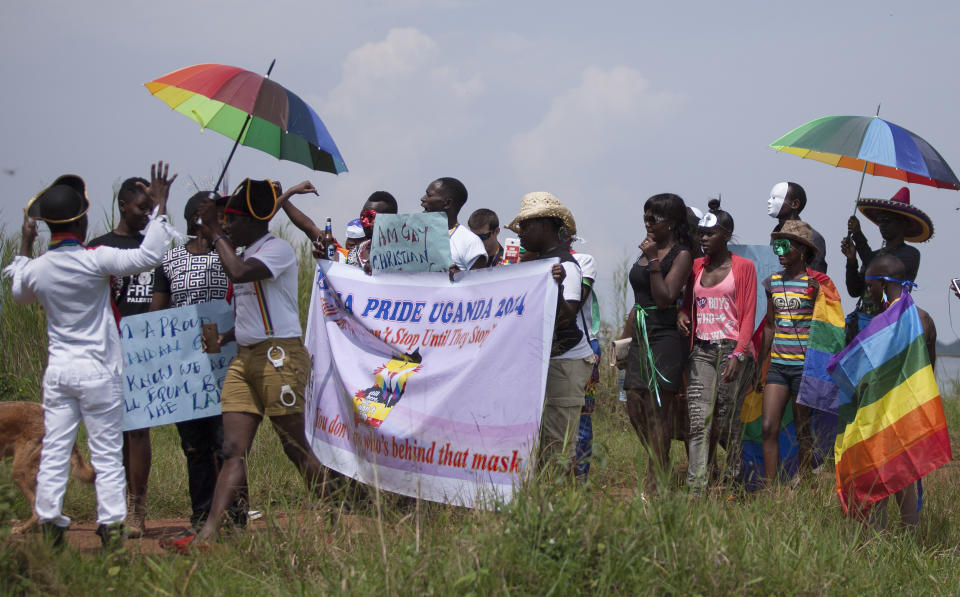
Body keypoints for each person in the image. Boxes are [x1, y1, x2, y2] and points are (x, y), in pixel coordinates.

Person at [4, 163, 178, 549]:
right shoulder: (95, 259)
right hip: (99, 372)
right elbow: (147, 256)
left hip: (59, 375)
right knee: (105, 449)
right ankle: (111, 528)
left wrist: (25, 245)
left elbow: (19, 291)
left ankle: (50, 523)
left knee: (55, 451)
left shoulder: (38, 269)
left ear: (49, 226)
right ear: (82, 224)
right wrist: (161, 206)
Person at [174, 179, 326, 548]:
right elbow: (247, 302)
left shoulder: (277, 250)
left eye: (231, 221)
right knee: (232, 449)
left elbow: (239, 274)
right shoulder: (244, 249)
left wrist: (212, 232)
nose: (226, 226)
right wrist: (228, 337)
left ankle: (335, 508)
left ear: (253, 223)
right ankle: (209, 534)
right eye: (223, 221)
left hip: (280, 357)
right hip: (245, 359)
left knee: (294, 446)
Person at [149, 191, 245, 531]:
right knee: (195, 446)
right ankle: (202, 514)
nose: (225, 219)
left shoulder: (233, 255)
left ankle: (235, 517)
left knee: (228, 442)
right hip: (184, 365)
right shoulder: (170, 261)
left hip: (226, 361)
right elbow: (156, 315)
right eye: (218, 214)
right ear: (197, 220)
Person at [87, 175, 160, 538]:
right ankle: (113, 505)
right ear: (122, 206)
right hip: (106, 350)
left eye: (151, 208)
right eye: (141, 207)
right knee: (109, 433)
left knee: (138, 431)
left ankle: (137, 508)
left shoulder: (155, 246)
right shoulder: (99, 248)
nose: (147, 214)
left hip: (146, 351)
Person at [508, 192, 594, 473]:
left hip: (565, 361)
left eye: (526, 226)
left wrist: (556, 286)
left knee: (557, 442)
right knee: (541, 439)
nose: (521, 233)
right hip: (546, 360)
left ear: (546, 225)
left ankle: (562, 503)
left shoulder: (565, 265)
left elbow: (566, 315)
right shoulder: (538, 264)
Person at [678, 200, 756, 495]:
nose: (704, 239)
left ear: (726, 235)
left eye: (710, 233)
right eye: (701, 233)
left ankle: (735, 479)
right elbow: (687, 303)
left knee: (725, 419)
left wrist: (739, 352)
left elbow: (748, 313)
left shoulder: (743, 267)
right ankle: (696, 489)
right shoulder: (697, 266)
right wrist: (681, 314)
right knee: (699, 421)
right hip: (701, 350)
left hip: (731, 350)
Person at [620, 193, 694, 495]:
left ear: (672, 222)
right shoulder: (647, 250)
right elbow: (639, 300)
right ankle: (658, 463)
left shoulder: (681, 254)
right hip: (640, 332)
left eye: (654, 218)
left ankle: (656, 481)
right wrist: (623, 340)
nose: (648, 223)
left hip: (664, 336)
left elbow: (665, 298)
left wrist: (652, 260)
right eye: (645, 216)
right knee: (635, 405)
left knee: (658, 408)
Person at [861, 254, 935, 529]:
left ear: (881, 283)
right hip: (914, 410)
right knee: (905, 478)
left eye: (870, 286)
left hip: (886, 413)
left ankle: (874, 544)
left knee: (878, 481)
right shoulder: (923, 318)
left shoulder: (883, 321)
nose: (869, 292)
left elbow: (872, 375)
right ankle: (910, 541)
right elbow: (929, 371)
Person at [757, 220, 824, 484]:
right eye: (778, 247)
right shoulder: (772, 283)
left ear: (802, 250)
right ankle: (771, 490)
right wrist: (759, 364)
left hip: (804, 368)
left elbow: (825, 327)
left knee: (802, 429)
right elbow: (770, 326)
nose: (781, 252)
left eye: (786, 247)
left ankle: (806, 483)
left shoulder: (815, 285)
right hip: (778, 367)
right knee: (768, 427)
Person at [840, 187, 928, 340]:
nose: (882, 225)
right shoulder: (874, 255)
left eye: (887, 221)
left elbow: (880, 267)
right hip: (863, 323)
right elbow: (854, 291)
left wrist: (858, 236)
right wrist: (851, 260)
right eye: (880, 221)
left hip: (889, 323)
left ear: (903, 224)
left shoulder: (910, 254)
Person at [279, 182, 398, 268]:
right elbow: (309, 227)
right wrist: (284, 196)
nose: (365, 222)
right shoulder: (351, 256)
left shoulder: (407, 255)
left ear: (390, 221)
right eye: (363, 216)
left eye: (371, 217)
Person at [570, 243, 600, 481]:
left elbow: (577, 299)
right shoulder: (531, 261)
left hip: (582, 346)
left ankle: (580, 477)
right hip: (543, 346)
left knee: (581, 416)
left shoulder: (583, 261)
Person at [421, 177, 487, 273]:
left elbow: (477, 284)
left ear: (447, 203)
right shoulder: (415, 235)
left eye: (429, 195)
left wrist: (459, 276)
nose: (423, 198)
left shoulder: (469, 241)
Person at [768, 182, 827, 274]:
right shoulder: (775, 235)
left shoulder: (813, 238)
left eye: (775, 198)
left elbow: (817, 277)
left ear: (795, 204)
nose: (769, 201)